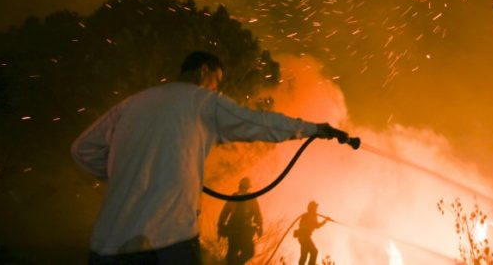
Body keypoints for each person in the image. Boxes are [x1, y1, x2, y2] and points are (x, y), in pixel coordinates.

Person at [71, 51, 344, 264]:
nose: (216, 89)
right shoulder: (202, 101)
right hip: (169, 244)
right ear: (204, 71)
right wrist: (315, 129)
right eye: (217, 81)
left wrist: (124, 176)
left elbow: (81, 149)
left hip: (108, 246)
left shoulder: (132, 103)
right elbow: (260, 123)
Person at [217, 177, 262, 264]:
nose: (243, 189)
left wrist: (220, 227)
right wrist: (259, 227)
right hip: (239, 231)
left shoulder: (248, 199)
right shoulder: (251, 199)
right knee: (244, 252)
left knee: (237, 253)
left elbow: (224, 214)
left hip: (238, 231)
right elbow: (257, 215)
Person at [295, 201, 330, 265]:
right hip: (304, 237)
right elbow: (316, 225)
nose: (316, 209)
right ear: (311, 208)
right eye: (315, 208)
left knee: (305, 255)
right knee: (313, 252)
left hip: (303, 237)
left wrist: (325, 220)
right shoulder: (308, 216)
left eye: (316, 208)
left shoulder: (310, 215)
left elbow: (315, 225)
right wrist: (325, 221)